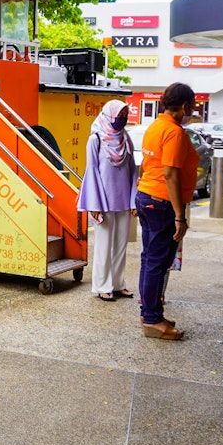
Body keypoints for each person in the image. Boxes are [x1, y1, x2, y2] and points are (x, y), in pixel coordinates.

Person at [135, 83, 199, 340]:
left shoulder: (155, 126)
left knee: (149, 258)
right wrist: (179, 215)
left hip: (147, 196)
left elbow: (147, 166)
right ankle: (151, 319)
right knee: (157, 262)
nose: (193, 111)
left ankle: (150, 311)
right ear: (184, 106)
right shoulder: (174, 132)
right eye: (192, 106)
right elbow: (170, 173)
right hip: (162, 203)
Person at [77, 100, 137, 302]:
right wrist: (94, 205)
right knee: (104, 245)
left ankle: (118, 284)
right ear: (109, 115)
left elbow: (132, 171)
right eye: (120, 115)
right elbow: (91, 171)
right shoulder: (95, 139)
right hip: (102, 201)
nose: (123, 119)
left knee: (121, 245)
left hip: (122, 201)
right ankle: (102, 286)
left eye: (125, 115)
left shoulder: (125, 139)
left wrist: (133, 201)